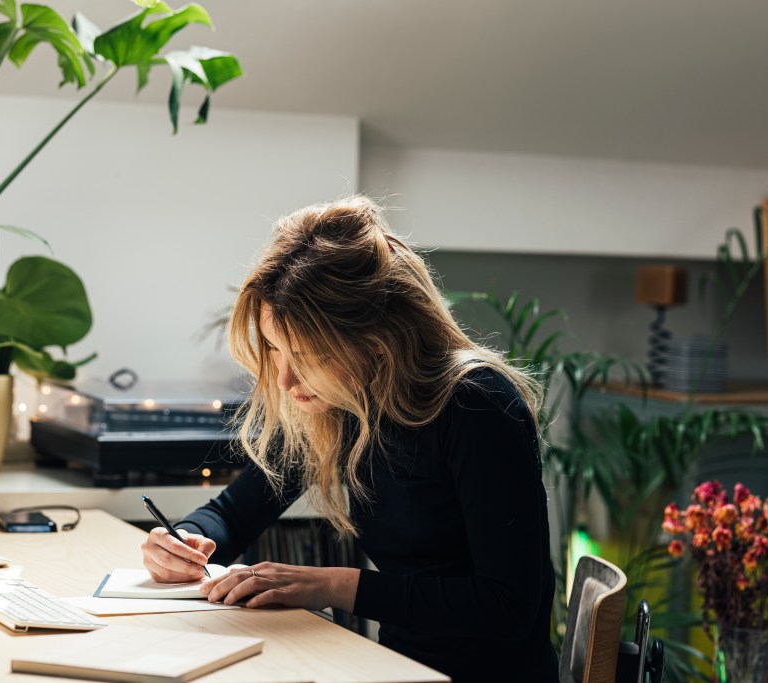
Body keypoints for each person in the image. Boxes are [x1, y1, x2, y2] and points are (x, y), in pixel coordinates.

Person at [141, 196, 557, 682]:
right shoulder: (340, 404)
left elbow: (506, 607)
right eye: (275, 350)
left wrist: (331, 585)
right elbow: (235, 512)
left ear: (376, 343)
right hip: (394, 666)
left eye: (306, 355)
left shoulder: (477, 405)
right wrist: (188, 542)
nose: (283, 381)